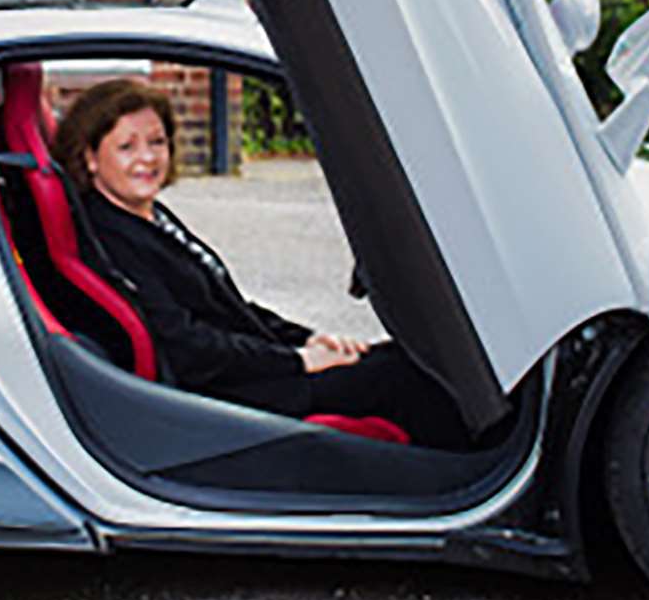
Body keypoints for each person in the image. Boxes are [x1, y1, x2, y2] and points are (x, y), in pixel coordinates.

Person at [51, 78, 473, 450]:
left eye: (157, 141)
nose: (147, 158)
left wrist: (311, 338)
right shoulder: (112, 236)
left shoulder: (151, 216)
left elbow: (231, 308)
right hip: (225, 398)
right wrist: (297, 361)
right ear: (90, 158)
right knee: (410, 379)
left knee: (406, 358)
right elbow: (187, 347)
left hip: (254, 371)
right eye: (126, 146)